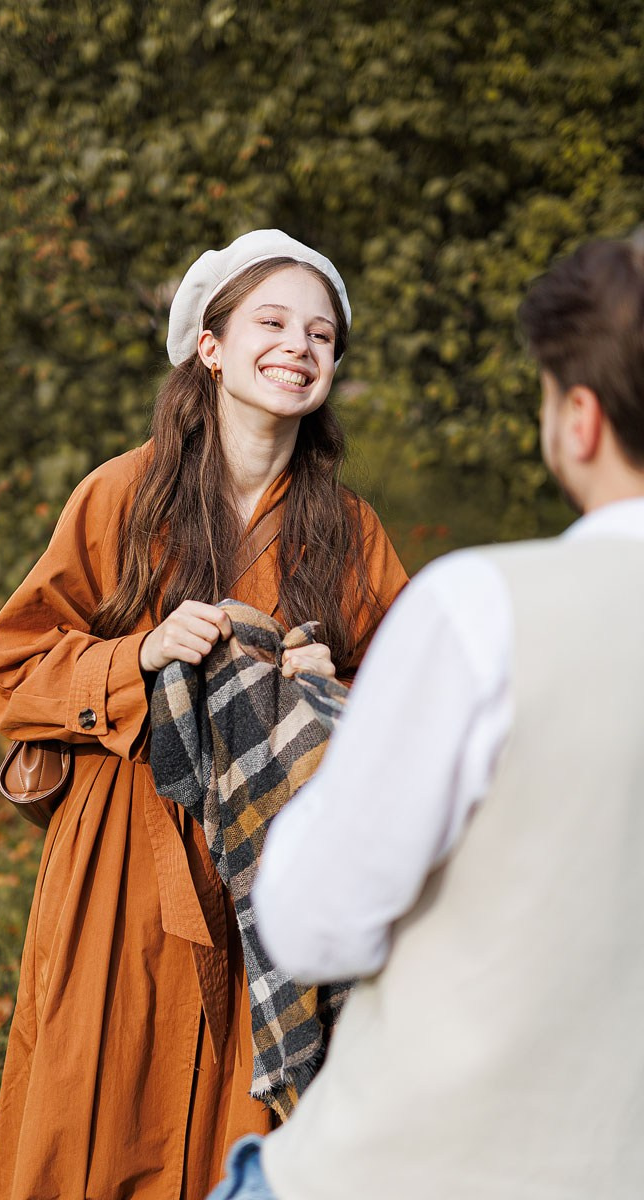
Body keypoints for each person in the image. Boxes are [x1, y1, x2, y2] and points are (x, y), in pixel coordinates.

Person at [207, 233, 644, 1200]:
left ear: (579, 419)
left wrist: (334, 714)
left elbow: (315, 922)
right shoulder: (125, 494)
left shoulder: (484, 609)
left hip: (424, 1158)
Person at [0, 229, 408, 1200]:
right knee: (95, 1091)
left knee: (239, 1116)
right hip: (123, 856)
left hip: (268, 865)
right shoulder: (123, 494)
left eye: (321, 333)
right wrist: (139, 655)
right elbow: (14, 667)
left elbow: (408, 713)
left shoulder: (352, 532)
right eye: (271, 322)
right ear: (209, 347)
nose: (299, 345)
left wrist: (324, 680)